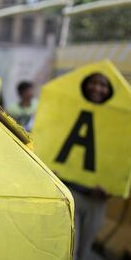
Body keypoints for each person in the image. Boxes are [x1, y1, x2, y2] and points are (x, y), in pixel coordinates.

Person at [66, 73, 112, 260]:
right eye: (93, 82)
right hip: (70, 192)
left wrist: (112, 188)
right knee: (68, 250)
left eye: (103, 85)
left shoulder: (120, 120)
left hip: (98, 199)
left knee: (84, 252)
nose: (97, 88)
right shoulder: (69, 109)